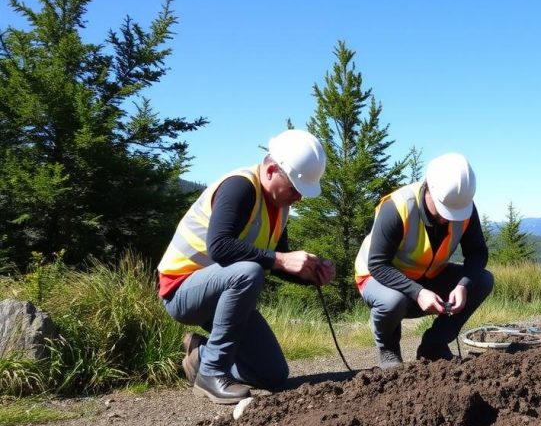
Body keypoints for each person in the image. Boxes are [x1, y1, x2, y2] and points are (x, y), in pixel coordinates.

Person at [157, 130, 336, 403]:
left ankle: (202, 355)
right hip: (181, 291)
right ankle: (212, 372)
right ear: (271, 170)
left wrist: (311, 273)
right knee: (249, 272)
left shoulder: (279, 205)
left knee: (273, 374)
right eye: (294, 189)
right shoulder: (239, 187)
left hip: (224, 292)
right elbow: (220, 247)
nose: (298, 198)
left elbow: (276, 261)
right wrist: (281, 259)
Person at [354, 152, 493, 369]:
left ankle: (434, 346)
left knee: (482, 280)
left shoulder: (462, 205)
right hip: (379, 278)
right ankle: (388, 349)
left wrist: (463, 286)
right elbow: (378, 264)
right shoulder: (397, 207)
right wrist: (417, 292)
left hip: (428, 276)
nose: (448, 218)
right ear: (428, 188)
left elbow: (477, 253)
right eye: (443, 209)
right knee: (393, 301)